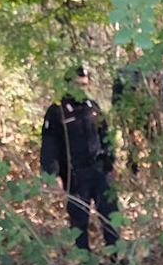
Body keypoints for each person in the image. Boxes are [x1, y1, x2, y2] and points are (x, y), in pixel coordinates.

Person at [40, 64, 121, 252]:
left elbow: (105, 136)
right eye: (77, 85)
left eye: (84, 85)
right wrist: (52, 174)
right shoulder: (57, 111)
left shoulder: (93, 107)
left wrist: (111, 163)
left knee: (110, 214)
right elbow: (49, 146)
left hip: (99, 170)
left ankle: (116, 255)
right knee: (79, 220)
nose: (81, 89)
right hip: (75, 174)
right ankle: (83, 259)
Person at [111, 49, 156, 175]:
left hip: (148, 112)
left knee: (153, 140)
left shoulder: (150, 71)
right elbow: (116, 94)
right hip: (130, 113)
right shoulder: (122, 72)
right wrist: (119, 111)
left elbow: (160, 89)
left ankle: (156, 169)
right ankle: (133, 170)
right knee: (132, 143)